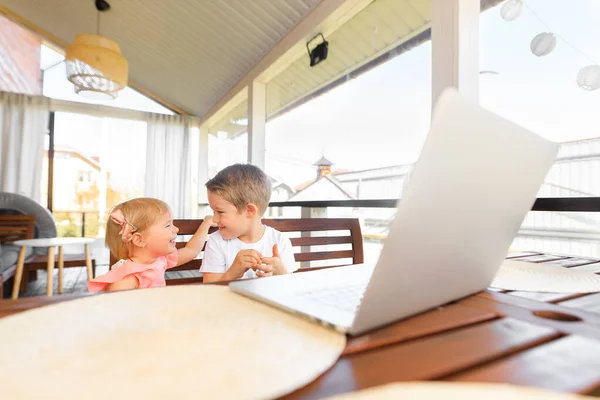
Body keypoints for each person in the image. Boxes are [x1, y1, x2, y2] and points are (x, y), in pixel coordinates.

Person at [88, 198, 214, 292]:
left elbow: (191, 250)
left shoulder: (160, 260)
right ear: (139, 240)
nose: (176, 229)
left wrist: (206, 224)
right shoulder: (127, 279)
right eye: (168, 225)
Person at [201, 164, 297, 283]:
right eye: (213, 211)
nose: (214, 219)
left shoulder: (279, 241)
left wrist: (281, 273)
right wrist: (232, 273)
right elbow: (209, 292)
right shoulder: (216, 242)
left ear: (249, 211)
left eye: (220, 212)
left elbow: (290, 290)